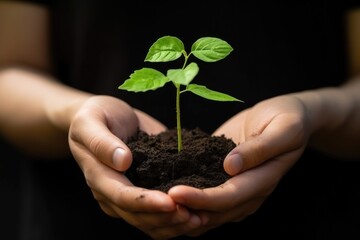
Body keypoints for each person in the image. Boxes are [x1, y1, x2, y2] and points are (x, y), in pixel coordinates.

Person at [1, 0, 360, 239]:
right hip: (73, 221)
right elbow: (9, 72)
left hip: (307, 213)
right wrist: (74, 114)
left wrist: (314, 113)